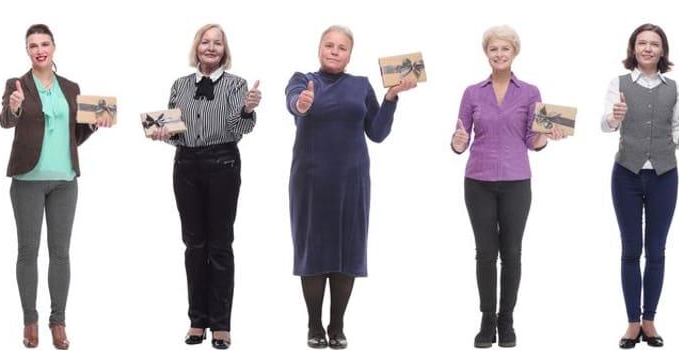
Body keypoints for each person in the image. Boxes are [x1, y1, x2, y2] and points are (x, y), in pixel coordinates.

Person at [283, 24, 417, 350]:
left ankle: (337, 325)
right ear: (319, 49)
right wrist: (301, 104)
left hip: (352, 180)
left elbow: (378, 132)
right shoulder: (302, 80)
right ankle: (314, 324)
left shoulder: (361, 85)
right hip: (311, 180)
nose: (334, 51)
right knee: (312, 249)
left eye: (341, 47)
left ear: (349, 55)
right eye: (329, 45)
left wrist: (390, 97)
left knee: (348, 248)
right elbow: (293, 104)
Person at [603, 23, 679, 350]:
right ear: (633, 48)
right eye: (641, 43)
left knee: (656, 251)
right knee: (631, 250)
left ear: (662, 50)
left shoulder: (674, 88)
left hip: (664, 176)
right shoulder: (619, 83)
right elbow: (605, 125)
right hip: (626, 174)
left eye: (653, 44)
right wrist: (615, 116)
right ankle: (632, 324)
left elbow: (677, 140)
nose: (647, 48)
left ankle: (649, 321)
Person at [448, 25, 565, 349]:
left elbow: (532, 140)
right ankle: (487, 320)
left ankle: (507, 320)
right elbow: (460, 140)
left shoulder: (529, 92)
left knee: (511, 253)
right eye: (493, 49)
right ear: (486, 54)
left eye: (505, 49)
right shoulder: (473, 93)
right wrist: (458, 142)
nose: (499, 54)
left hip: (516, 182)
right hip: (478, 182)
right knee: (486, 254)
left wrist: (546, 135)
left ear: (515, 52)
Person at [0, 24, 107, 350]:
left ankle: (57, 322)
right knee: (27, 253)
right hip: (27, 181)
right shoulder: (16, 84)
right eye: (33, 45)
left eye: (44, 43)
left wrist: (94, 124)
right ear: (27, 51)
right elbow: (5, 120)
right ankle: (29, 322)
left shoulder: (71, 88)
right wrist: (15, 106)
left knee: (60, 254)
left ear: (54, 47)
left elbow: (76, 136)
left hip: (64, 181)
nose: (39, 49)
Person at [155, 23, 260, 350]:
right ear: (197, 47)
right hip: (186, 166)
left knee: (219, 245)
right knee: (194, 245)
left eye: (217, 43)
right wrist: (163, 133)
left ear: (224, 50)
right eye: (205, 42)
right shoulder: (180, 85)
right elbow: (176, 130)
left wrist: (246, 107)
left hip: (222, 164)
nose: (211, 47)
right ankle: (197, 320)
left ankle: (221, 325)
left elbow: (239, 128)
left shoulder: (237, 85)